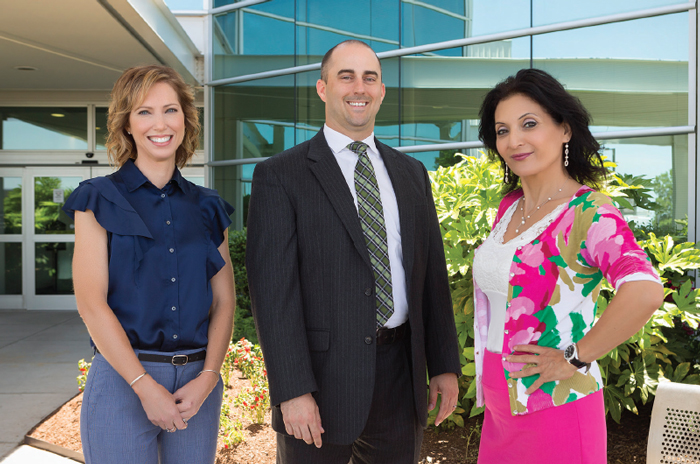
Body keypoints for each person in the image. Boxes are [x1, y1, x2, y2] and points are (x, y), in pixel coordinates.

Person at [246, 40, 461, 463]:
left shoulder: (412, 173)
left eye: (370, 78)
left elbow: (430, 276)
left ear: (381, 91)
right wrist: (292, 390)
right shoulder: (279, 175)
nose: (358, 87)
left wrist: (443, 365)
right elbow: (273, 296)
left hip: (401, 375)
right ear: (323, 88)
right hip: (320, 383)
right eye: (346, 76)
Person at [473, 68, 664, 463]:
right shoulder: (510, 208)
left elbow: (645, 289)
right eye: (502, 130)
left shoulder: (588, 212)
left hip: (556, 407)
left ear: (564, 129)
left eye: (530, 124)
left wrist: (576, 356)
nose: (514, 140)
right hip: (500, 404)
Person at [63, 65, 235, 464]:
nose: (160, 123)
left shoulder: (208, 206)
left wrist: (208, 377)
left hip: (197, 387)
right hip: (124, 379)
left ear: (186, 120)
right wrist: (143, 385)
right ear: (126, 124)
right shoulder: (96, 198)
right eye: (144, 111)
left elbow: (224, 302)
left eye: (170, 110)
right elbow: (91, 304)